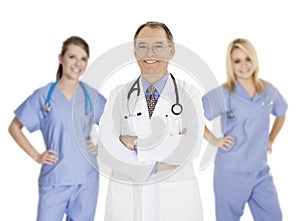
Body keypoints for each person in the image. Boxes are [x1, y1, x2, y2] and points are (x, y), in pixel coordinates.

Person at [98, 21, 204, 221]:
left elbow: (192, 146)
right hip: (128, 203)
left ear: (171, 51)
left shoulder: (189, 94)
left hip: (175, 203)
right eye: (143, 46)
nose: (150, 53)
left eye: (158, 46)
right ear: (135, 52)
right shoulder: (118, 95)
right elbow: (106, 149)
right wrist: (158, 159)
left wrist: (135, 143)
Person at [8, 36, 106, 221]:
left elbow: (117, 126)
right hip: (54, 179)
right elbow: (14, 127)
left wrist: (103, 147)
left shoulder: (92, 96)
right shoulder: (43, 96)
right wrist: (37, 156)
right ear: (61, 58)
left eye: (83, 58)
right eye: (72, 57)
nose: (78, 63)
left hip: (86, 181)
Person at [202, 38, 287, 221]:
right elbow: (192, 116)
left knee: (273, 217)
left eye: (247, 58)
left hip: (260, 171)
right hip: (231, 172)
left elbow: (281, 112)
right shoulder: (225, 93)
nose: (244, 65)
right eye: (237, 61)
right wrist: (215, 140)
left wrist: (271, 139)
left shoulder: (268, 90)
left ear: (254, 59)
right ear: (230, 64)